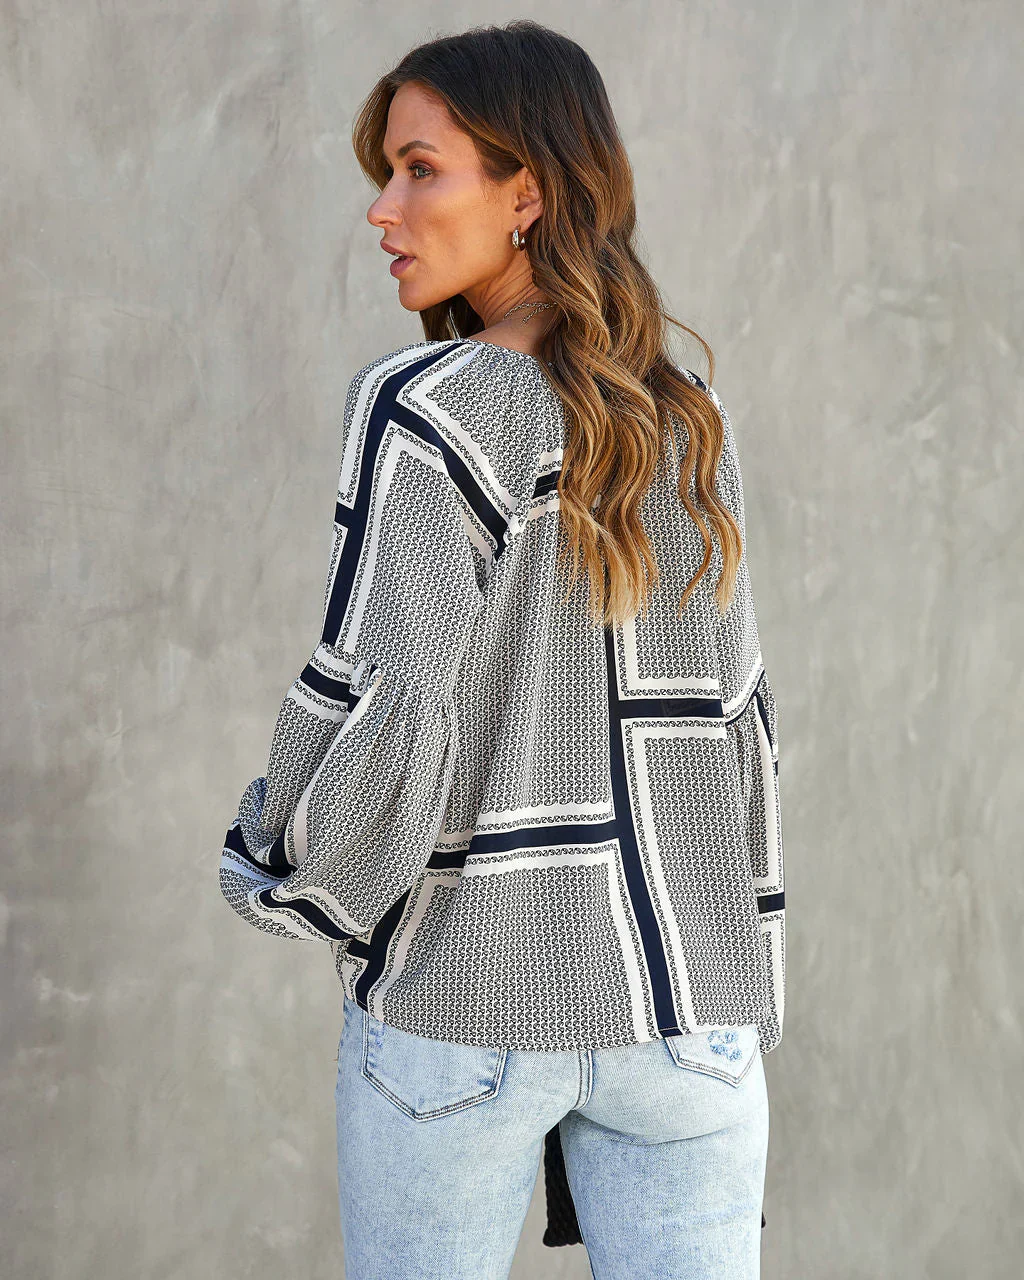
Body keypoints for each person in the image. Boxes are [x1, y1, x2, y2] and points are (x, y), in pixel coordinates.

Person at [219, 19, 786, 1280]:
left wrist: (278, 860)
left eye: (420, 169)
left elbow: (388, 710)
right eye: (387, 172)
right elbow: (734, 722)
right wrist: (741, 967)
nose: (384, 208)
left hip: (469, 997)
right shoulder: (688, 414)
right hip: (685, 1004)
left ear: (527, 193)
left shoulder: (426, 409)